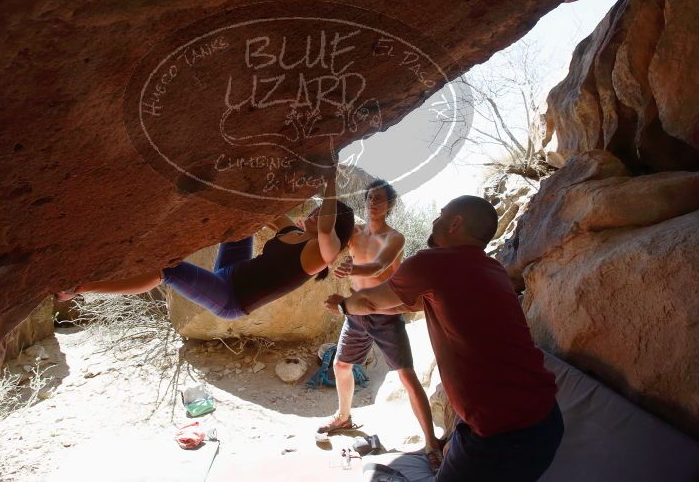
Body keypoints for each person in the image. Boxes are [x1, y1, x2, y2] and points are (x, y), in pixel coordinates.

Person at [325, 195, 563, 481]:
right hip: (546, 419)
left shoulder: (431, 264)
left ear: (455, 223)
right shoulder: (492, 269)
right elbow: (413, 303)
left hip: (502, 433)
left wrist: (343, 305)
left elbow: (372, 303)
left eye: (440, 215)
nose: (435, 220)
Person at [58, 165, 354, 320]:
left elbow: (327, 229)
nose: (315, 213)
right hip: (231, 271)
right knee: (242, 224)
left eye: (322, 212)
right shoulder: (295, 232)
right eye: (316, 210)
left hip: (230, 298)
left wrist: (329, 180)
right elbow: (264, 211)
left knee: (169, 271)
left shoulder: (319, 255)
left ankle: (80, 288)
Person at [317, 179, 440, 464]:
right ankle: (344, 417)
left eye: (380, 199)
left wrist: (353, 267)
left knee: (407, 377)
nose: (373, 203)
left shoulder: (395, 237)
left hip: (386, 312)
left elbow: (380, 265)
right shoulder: (355, 233)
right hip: (357, 310)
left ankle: (432, 444)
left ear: (390, 205)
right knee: (341, 365)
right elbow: (331, 244)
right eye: (370, 197)